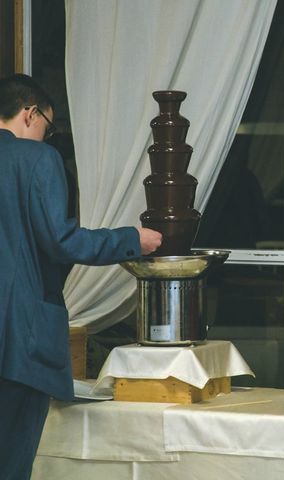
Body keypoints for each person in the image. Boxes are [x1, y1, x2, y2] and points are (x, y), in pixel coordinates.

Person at [0, 73, 163, 480]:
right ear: (29, 113)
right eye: (47, 127)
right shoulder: (36, 159)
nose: (46, 137)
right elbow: (62, 241)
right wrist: (132, 240)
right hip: (19, 340)